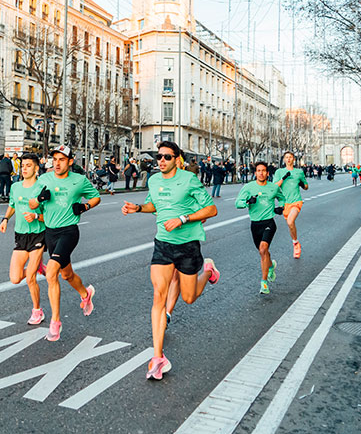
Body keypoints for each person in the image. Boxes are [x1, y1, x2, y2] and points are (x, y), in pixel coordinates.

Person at [121, 141, 219, 380]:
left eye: (166, 157)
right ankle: (158, 357)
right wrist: (137, 208)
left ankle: (208, 271)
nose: (161, 160)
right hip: (163, 244)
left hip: (187, 245)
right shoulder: (153, 181)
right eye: (159, 156)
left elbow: (211, 209)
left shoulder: (189, 180)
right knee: (158, 296)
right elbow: (153, 205)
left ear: (177, 159)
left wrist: (183, 219)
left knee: (189, 297)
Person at [29, 145, 101, 341]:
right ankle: (85, 294)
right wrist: (39, 198)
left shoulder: (79, 181)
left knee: (51, 272)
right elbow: (32, 204)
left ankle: (55, 322)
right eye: (55, 159)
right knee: (66, 274)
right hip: (50, 232)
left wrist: (84, 206)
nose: (57, 163)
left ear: (70, 162)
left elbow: (96, 197)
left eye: (62, 159)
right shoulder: (44, 179)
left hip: (69, 232)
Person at [0, 153, 46, 324]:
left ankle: (37, 311)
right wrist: (5, 219)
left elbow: (50, 215)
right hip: (20, 235)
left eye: (28, 165)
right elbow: (12, 205)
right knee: (15, 278)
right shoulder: (16, 187)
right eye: (23, 165)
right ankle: (39, 267)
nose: (24, 168)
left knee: (31, 277)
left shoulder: (42, 187)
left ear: (36, 168)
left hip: (38, 234)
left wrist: (35, 216)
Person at [235, 161, 285, 295]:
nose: (261, 173)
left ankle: (263, 283)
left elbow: (282, 198)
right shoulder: (248, 187)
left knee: (263, 249)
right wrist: (247, 202)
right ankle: (270, 266)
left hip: (269, 222)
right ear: (255, 173)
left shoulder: (273, 187)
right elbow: (237, 203)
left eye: (263, 171)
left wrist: (281, 207)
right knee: (263, 252)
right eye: (258, 171)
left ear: (267, 173)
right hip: (255, 224)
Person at [274, 151, 308, 259]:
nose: (288, 159)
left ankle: (295, 243)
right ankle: (296, 242)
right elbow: (274, 187)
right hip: (285, 203)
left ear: (294, 159)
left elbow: (306, 186)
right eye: (286, 157)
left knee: (290, 221)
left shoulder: (299, 172)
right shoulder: (279, 172)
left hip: (296, 201)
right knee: (290, 224)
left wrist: (303, 184)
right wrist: (283, 178)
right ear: (284, 159)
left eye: (290, 157)